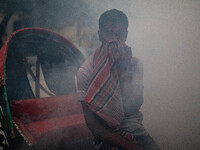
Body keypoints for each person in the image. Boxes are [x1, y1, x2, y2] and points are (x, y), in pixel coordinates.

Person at [76, 9, 160, 150]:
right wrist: (132, 147)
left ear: (126, 35)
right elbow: (94, 126)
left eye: (119, 34)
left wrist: (123, 73)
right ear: (100, 36)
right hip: (105, 134)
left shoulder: (135, 64)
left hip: (135, 128)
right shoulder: (86, 71)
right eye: (109, 34)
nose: (114, 40)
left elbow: (134, 107)